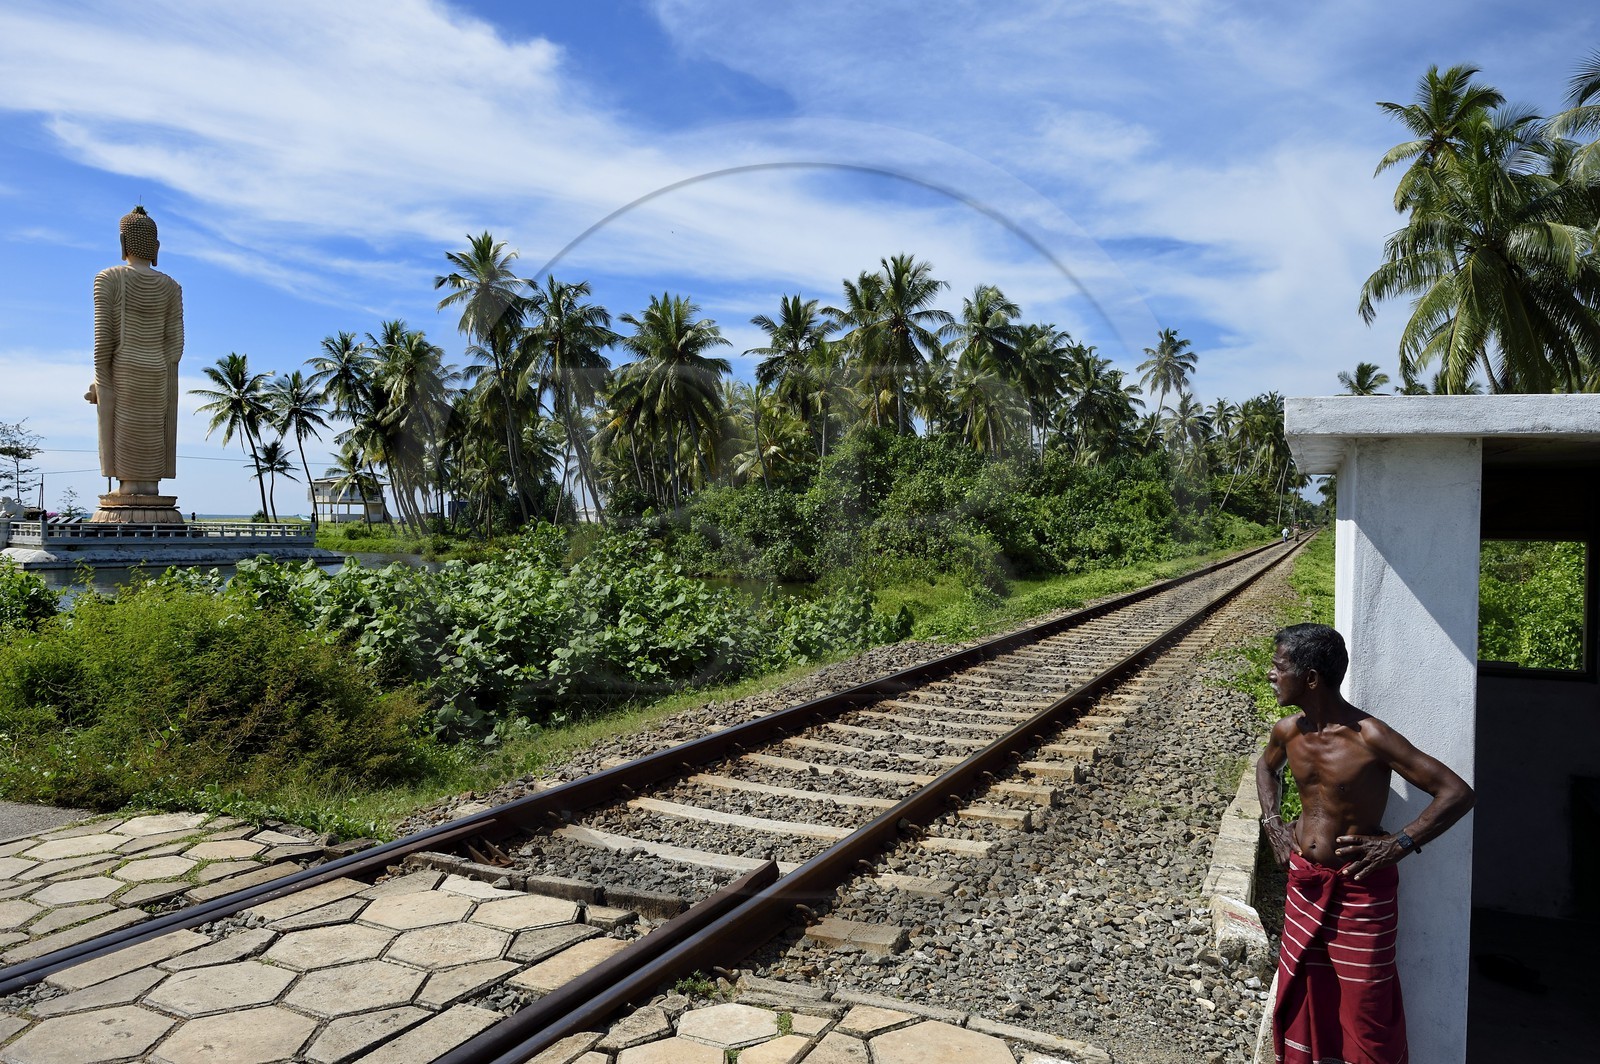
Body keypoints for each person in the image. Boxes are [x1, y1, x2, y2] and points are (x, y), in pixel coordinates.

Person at [1256, 623, 1474, 1064]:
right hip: (1306, 883)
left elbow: (1456, 792)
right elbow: (1265, 770)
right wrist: (1273, 823)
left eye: (1279, 667)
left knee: (1367, 1005)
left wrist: (1399, 843)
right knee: (1304, 988)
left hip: (1360, 890)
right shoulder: (1288, 732)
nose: (1270, 675)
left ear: (1311, 677)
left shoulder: (1368, 736)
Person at [86, 205, 184, 497]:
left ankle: (128, 486)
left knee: (124, 430)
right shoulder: (171, 286)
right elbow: (175, 344)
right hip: (157, 370)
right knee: (152, 428)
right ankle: (149, 486)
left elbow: (103, 340)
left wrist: (102, 381)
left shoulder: (109, 278)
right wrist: (162, 368)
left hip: (125, 367)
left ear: (122, 243)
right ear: (155, 247)